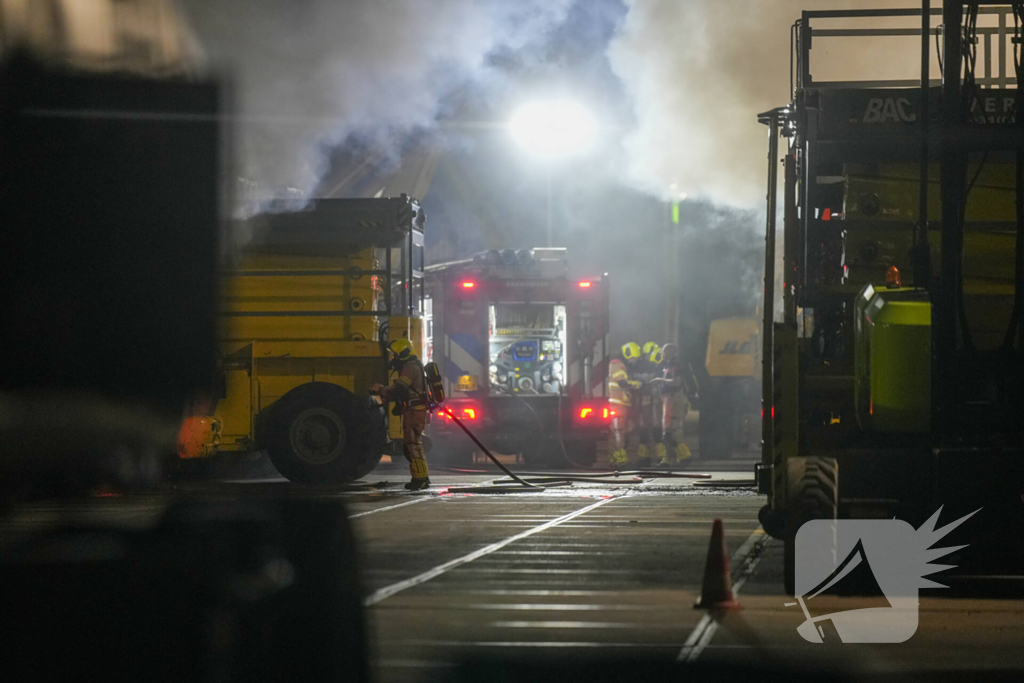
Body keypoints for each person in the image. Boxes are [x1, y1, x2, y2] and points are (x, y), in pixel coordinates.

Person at [370, 338, 431, 490]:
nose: (393, 358)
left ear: (402, 353)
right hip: (413, 410)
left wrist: (381, 389)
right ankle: (421, 477)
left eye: (395, 355)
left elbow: (399, 390)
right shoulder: (413, 365)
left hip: (414, 412)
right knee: (413, 444)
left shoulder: (410, 367)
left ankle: (421, 479)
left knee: (413, 444)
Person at [651, 343, 692, 465]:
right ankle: (668, 459)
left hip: (674, 399)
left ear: (670, 352)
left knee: (672, 430)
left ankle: (684, 456)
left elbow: (676, 381)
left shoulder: (675, 365)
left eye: (664, 352)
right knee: (667, 432)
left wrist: (661, 380)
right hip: (669, 399)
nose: (662, 354)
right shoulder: (668, 365)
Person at [609, 342, 643, 467]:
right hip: (616, 403)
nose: (634, 361)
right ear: (628, 355)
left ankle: (615, 457)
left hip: (620, 403)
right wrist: (637, 384)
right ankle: (620, 459)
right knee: (619, 431)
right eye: (633, 358)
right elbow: (622, 383)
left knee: (617, 431)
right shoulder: (617, 365)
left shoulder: (620, 365)